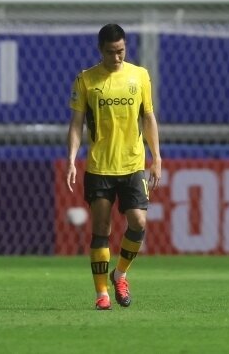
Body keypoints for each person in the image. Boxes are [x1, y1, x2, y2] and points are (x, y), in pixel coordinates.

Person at [66, 24, 162, 311]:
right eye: (111, 52)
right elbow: (76, 124)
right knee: (101, 228)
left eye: (121, 51)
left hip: (132, 164)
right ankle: (102, 294)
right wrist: (71, 159)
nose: (117, 57)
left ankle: (120, 274)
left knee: (139, 222)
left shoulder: (140, 76)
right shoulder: (86, 80)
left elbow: (148, 118)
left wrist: (156, 157)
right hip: (100, 166)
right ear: (101, 50)